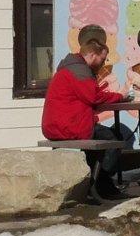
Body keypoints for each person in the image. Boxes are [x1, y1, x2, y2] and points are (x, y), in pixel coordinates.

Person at [42, 25, 130, 201]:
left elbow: (86, 96)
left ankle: (94, 182)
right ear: (92, 55)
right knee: (116, 139)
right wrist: (121, 95)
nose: (103, 64)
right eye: (102, 59)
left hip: (56, 125)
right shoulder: (80, 71)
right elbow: (93, 97)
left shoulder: (69, 66)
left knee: (105, 134)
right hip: (70, 126)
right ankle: (101, 185)